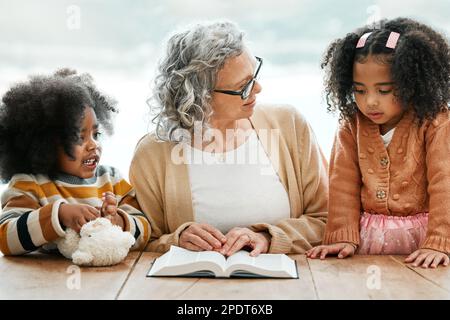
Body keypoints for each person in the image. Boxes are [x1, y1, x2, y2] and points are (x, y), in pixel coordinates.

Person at [130, 21, 328, 257]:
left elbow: (326, 220)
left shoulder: (289, 125)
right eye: (242, 87)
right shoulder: (153, 153)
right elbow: (142, 240)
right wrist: (177, 240)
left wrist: (268, 237)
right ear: (198, 98)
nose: (258, 89)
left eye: (254, 74)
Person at [306, 18, 450, 268]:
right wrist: (342, 236)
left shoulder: (435, 122)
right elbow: (343, 183)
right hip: (368, 240)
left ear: (411, 84)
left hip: (424, 242)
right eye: (360, 90)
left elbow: (444, 183)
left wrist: (439, 241)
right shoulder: (352, 125)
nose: (370, 101)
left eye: (383, 91)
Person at [0, 69, 151, 255]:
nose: (93, 145)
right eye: (79, 137)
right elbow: (5, 238)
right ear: (45, 144)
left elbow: (145, 231)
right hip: (45, 281)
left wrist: (118, 221)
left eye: (96, 134)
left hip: (109, 280)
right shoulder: (29, 185)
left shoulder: (111, 180)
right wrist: (59, 215)